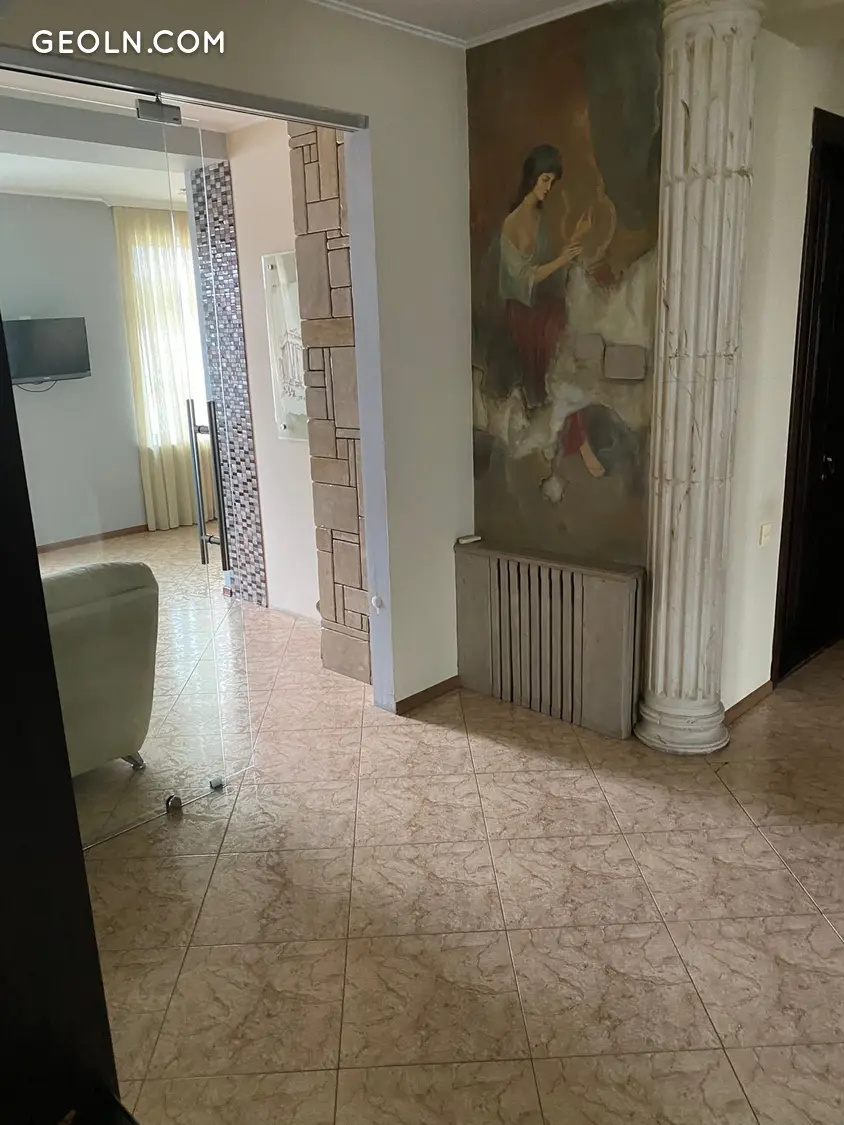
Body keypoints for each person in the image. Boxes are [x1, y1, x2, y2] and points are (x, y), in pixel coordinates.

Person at [498, 144, 590, 409]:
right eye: (545, 180)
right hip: (522, 311)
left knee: (571, 318)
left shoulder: (538, 217)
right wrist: (563, 259)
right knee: (556, 330)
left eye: (552, 182)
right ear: (532, 177)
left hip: (539, 304)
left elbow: (549, 265)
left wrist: (576, 237)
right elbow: (524, 279)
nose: (549, 188)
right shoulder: (512, 223)